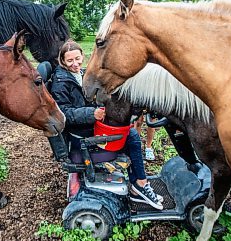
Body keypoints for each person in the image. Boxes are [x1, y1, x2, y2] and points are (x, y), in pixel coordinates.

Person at [50, 39, 163, 210]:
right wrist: (91, 113)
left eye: (78, 58)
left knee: (129, 132)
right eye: (70, 61)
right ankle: (140, 184)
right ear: (62, 61)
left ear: (83, 56)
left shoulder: (79, 73)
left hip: (89, 128)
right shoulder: (60, 83)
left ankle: (138, 184)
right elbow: (63, 114)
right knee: (131, 136)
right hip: (82, 138)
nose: (75, 64)